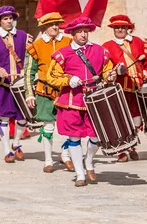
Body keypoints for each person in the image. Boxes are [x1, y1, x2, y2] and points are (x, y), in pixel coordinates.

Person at [47, 17, 116, 187]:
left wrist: (111, 76)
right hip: (71, 101)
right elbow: (51, 76)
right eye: (79, 32)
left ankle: (89, 161)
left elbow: (107, 72)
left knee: (96, 135)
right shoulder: (62, 54)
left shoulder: (101, 51)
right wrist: (68, 79)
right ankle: (80, 175)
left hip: (95, 100)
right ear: (72, 34)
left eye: (85, 31)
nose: (83, 35)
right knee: (74, 137)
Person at [102, 14, 147, 162]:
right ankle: (121, 150)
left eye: (123, 27)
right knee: (119, 118)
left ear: (129, 28)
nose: (120, 29)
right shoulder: (107, 46)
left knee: (136, 118)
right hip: (118, 88)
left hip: (136, 87)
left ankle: (132, 146)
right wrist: (111, 73)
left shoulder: (138, 43)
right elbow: (104, 68)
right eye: (117, 27)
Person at [0, 6, 33, 163]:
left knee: (23, 116)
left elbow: (32, 57)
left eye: (11, 18)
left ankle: (16, 143)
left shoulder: (25, 37)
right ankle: (7, 150)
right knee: (3, 117)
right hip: (2, 84)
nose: (9, 21)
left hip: (21, 84)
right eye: (5, 19)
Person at [23, 12, 73, 173]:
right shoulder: (35, 46)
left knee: (69, 126)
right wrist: (29, 93)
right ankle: (48, 160)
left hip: (66, 90)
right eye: (51, 24)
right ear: (44, 27)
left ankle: (65, 156)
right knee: (48, 126)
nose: (55, 27)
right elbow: (29, 71)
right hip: (44, 91)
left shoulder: (68, 42)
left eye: (57, 24)